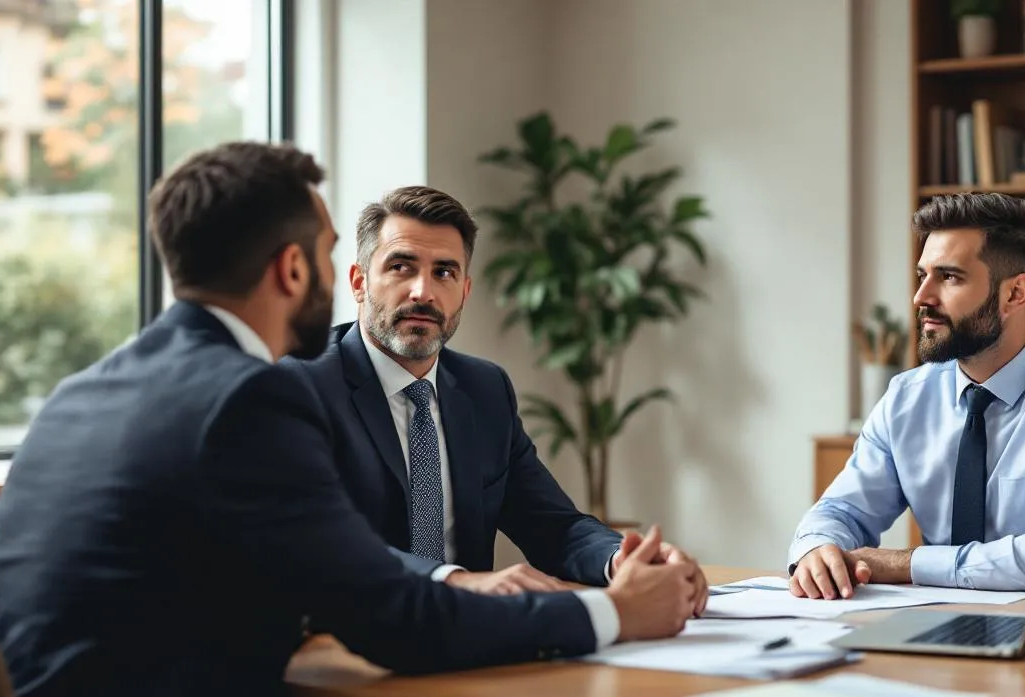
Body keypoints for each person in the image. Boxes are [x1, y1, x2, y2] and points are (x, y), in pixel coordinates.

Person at [0, 142, 698, 697]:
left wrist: (609, 569)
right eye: (328, 256)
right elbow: (396, 621)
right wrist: (613, 615)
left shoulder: (79, 391)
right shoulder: (251, 399)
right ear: (296, 270)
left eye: (445, 272)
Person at [280, 185, 707, 610]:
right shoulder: (302, 386)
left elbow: (552, 525)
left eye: (444, 272)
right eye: (401, 267)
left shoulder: (483, 389)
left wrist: (625, 559)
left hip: (474, 643)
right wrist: (454, 582)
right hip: (352, 640)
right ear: (359, 282)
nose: (423, 293)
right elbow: (321, 543)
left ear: (464, 292)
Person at [788, 192, 1025, 599]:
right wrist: (817, 548)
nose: (921, 297)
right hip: (950, 628)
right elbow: (841, 511)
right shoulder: (907, 398)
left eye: (949, 277)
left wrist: (905, 564)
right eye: (922, 275)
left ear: (1015, 295)